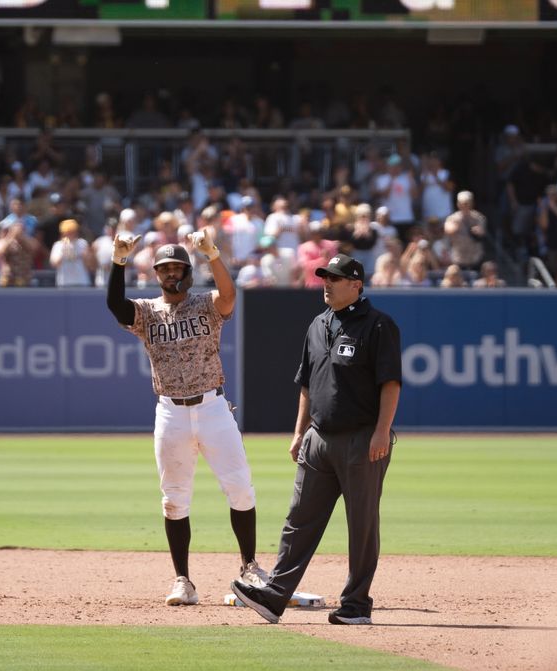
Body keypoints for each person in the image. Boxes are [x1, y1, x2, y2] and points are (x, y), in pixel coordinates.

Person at [231, 253, 401, 625]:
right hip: (318, 439)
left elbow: (390, 383)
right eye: (325, 276)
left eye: (336, 278)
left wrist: (381, 432)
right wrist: (298, 431)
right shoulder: (318, 324)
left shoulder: (377, 326)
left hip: (361, 440)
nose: (326, 282)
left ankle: (356, 605)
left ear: (356, 284)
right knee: (299, 519)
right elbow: (307, 384)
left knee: (362, 525)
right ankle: (275, 596)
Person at [106, 230, 268, 606]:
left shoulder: (204, 304)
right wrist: (118, 261)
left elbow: (229, 296)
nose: (170, 273)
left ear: (187, 271)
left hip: (213, 407)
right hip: (170, 412)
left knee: (240, 488)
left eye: (177, 267)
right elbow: (116, 305)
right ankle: (183, 581)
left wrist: (212, 254)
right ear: (157, 274)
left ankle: (250, 567)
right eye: (164, 268)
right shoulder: (147, 313)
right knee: (174, 500)